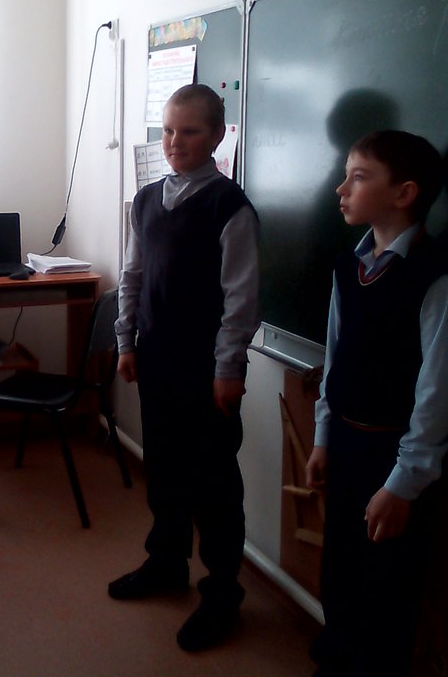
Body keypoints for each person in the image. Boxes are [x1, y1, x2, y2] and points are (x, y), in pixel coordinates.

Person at [305, 130, 448, 677]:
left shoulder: (437, 278)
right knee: (340, 567)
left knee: (386, 583)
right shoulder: (348, 266)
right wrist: (323, 437)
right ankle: (336, 656)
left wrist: (405, 481)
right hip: (346, 443)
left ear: (404, 193)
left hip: (393, 457)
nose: (341, 189)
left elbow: (439, 389)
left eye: (358, 178)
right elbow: (335, 357)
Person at [109, 83, 260, 653]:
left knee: (214, 482)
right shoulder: (147, 200)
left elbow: (241, 297)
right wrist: (126, 340)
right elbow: (133, 276)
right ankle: (166, 562)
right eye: (168, 130)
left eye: (190, 131)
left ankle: (222, 592)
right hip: (156, 359)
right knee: (164, 467)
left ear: (217, 136)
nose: (175, 142)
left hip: (206, 370)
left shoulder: (229, 206)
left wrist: (228, 367)